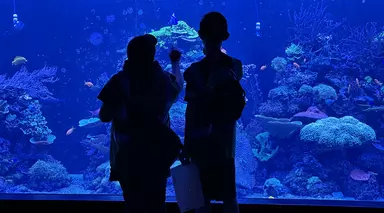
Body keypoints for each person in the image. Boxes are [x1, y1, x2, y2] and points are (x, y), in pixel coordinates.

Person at [98, 34, 183, 213]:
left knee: (133, 203)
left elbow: (104, 115)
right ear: (152, 55)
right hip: (157, 154)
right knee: (157, 203)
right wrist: (175, 63)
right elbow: (178, 87)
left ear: (129, 55)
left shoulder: (119, 81)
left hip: (128, 154)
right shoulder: (163, 80)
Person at [181, 12, 245, 213]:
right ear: (225, 36)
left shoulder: (192, 71)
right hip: (225, 142)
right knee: (229, 197)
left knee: (201, 200)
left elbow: (191, 113)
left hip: (200, 142)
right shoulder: (235, 66)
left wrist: (186, 145)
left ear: (201, 35)